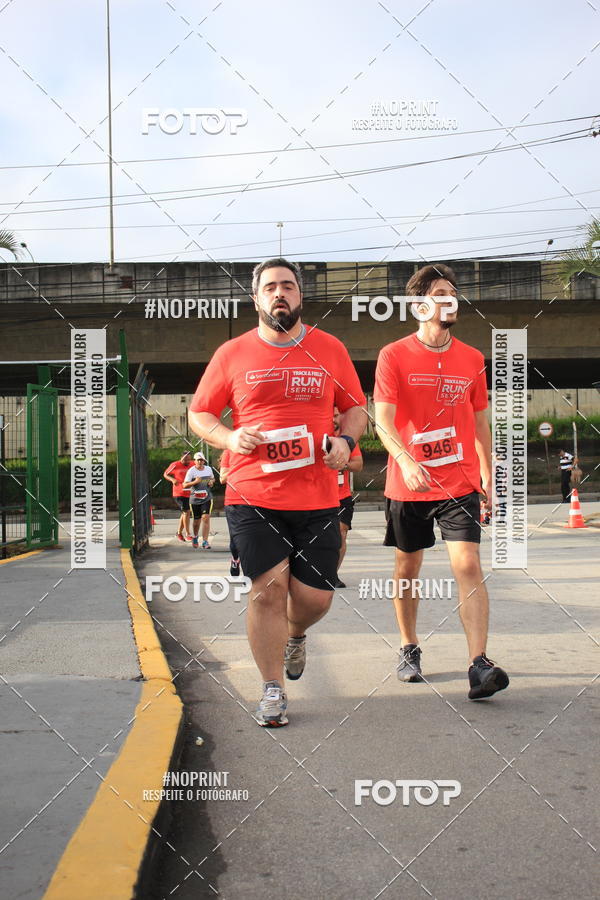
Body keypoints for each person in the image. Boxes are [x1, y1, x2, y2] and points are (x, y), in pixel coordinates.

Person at [188, 257, 367, 727]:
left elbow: (355, 408)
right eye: (270, 287)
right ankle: (272, 689)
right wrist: (229, 438)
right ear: (256, 299)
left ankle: (295, 633)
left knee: (314, 599)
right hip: (253, 492)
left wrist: (345, 442)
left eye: (288, 286)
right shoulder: (232, 353)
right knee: (268, 590)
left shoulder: (329, 349)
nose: (279, 294)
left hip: (318, 496)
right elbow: (199, 413)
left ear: (300, 295)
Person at [374, 263, 509, 701]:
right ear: (418, 306)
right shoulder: (393, 355)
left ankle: (479, 664)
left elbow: (480, 422)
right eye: (439, 294)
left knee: (468, 564)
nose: (450, 300)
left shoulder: (471, 359)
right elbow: (383, 420)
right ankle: (408, 646)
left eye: (453, 293)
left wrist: (488, 474)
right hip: (409, 483)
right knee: (407, 567)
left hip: (459, 482)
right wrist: (405, 460)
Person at [333, 407, 363, 588]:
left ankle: (333, 574)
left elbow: (358, 465)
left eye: (337, 415)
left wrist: (342, 464)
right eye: (330, 415)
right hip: (318, 498)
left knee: (341, 535)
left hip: (342, 497)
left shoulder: (347, 441)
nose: (334, 419)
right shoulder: (317, 438)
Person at [183, 452, 215, 549]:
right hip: (195, 500)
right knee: (196, 521)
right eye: (198, 460)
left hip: (207, 498)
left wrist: (211, 482)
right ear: (195, 461)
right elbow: (184, 485)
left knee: (205, 518)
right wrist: (195, 482)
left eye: (202, 460)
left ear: (204, 461)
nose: (200, 462)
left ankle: (205, 541)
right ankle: (195, 536)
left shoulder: (208, 469)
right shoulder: (191, 471)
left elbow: (213, 479)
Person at [163, 451, 194, 542]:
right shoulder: (175, 465)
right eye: (186, 459)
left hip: (189, 492)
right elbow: (165, 474)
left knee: (185, 513)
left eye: (189, 459)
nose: (188, 461)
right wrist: (172, 479)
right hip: (179, 492)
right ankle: (188, 534)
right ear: (181, 458)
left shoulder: (193, 464)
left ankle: (179, 533)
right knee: (186, 512)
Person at [219, 450, 241, 576]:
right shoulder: (229, 451)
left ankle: (249, 574)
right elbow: (222, 478)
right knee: (235, 538)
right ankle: (235, 559)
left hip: (258, 501)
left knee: (253, 540)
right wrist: (243, 468)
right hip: (235, 502)